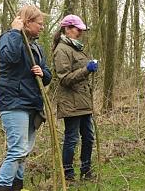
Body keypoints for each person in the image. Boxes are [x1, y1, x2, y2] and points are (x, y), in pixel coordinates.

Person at [0, 5, 52, 191]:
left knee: (24, 152)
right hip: (14, 102)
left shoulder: (36, 46)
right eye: (40, 23)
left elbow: (48, 76)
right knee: (17, 150)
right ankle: (2, 186)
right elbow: (8, 57)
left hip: (32, 104)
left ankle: (17, 186)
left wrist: (42, 72)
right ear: (27, 22)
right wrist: (14, 32)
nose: (42, 27)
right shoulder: (8, 38)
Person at [52, 14, 98, 181]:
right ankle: (68, 175)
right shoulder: (61, 50)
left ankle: (86, 172)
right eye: (78, 29)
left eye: (81, 30)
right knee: (72, 139)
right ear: (67, 29)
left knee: (89, 137)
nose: (81, 32)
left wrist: (89, 68)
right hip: (71, 103)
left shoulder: (76, 47)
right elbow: (64, 79)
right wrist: (87, 69)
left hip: (84, 101)